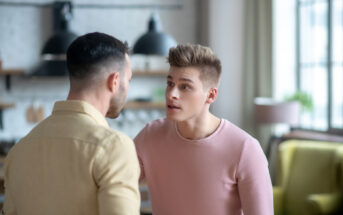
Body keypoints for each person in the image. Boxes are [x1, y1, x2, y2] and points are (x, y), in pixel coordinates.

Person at [2, 32, 140, 215]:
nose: (127, 87)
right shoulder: (114, 147)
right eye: (128, 79)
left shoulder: (19, 151)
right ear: (114, 81)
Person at [134, 44, 273, 215]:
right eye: (170, 83)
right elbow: (116, 185)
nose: (171, 94)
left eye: (185, 86)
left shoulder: (245, 149)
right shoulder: (149, 136)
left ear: (211, 95)